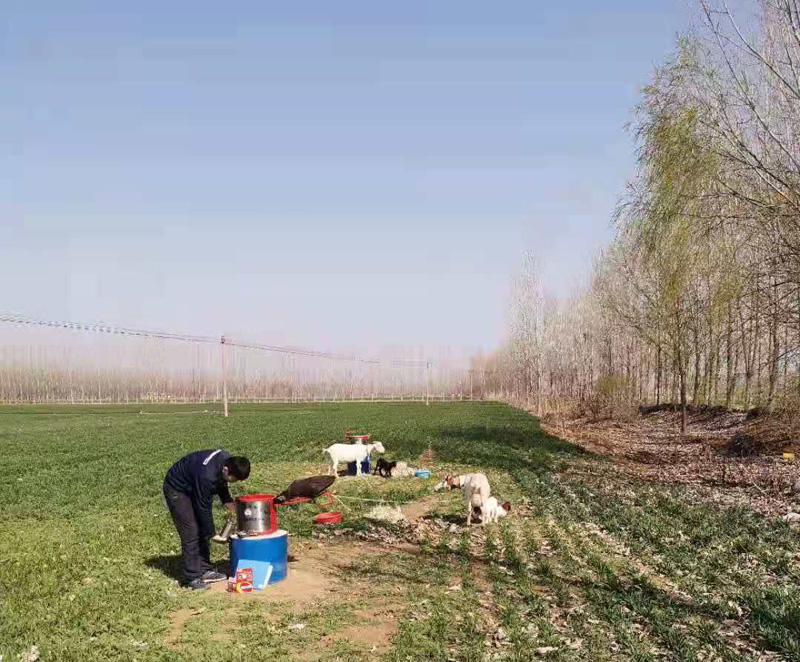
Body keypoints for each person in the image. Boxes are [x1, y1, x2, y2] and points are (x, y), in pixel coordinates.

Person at [163, 449, 251, 590]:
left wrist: (227, 500)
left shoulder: (226, 460)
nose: (234, 482)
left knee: (201, 529)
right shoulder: (206, 477)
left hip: (194, 481)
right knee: (191, 531)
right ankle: (192, 577)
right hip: (177, 488)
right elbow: (203, 508)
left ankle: (204, 570)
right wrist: (212, 534)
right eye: (234, 479)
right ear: (226, 469)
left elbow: (221, 482)